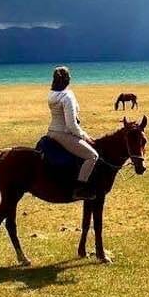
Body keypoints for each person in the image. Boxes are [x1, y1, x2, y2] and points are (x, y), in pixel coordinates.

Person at [47, 66, 99, 200]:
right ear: (68, 79)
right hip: (63, 134)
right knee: (92, 156)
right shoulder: (67, 96)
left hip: (51, 132)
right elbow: (71, 125)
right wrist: (85, 136)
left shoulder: (52, 94)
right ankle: (80, 189)